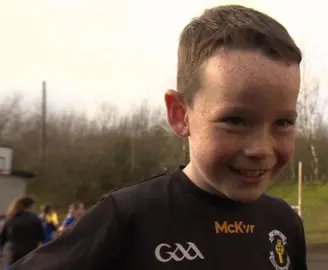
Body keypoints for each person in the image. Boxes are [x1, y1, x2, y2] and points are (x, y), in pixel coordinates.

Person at [9, 5, 307, 270]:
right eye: (235, 121)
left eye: (283, 122)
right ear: (180, 115)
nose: (261, 149)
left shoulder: (284, 223)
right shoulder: (127, 218)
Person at [0, 196, 45, 269]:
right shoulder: (35, 219)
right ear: (30, 206)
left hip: (12, 255)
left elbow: (2, 238)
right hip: (29, 255)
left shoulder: (11, 217)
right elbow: (41, 237)